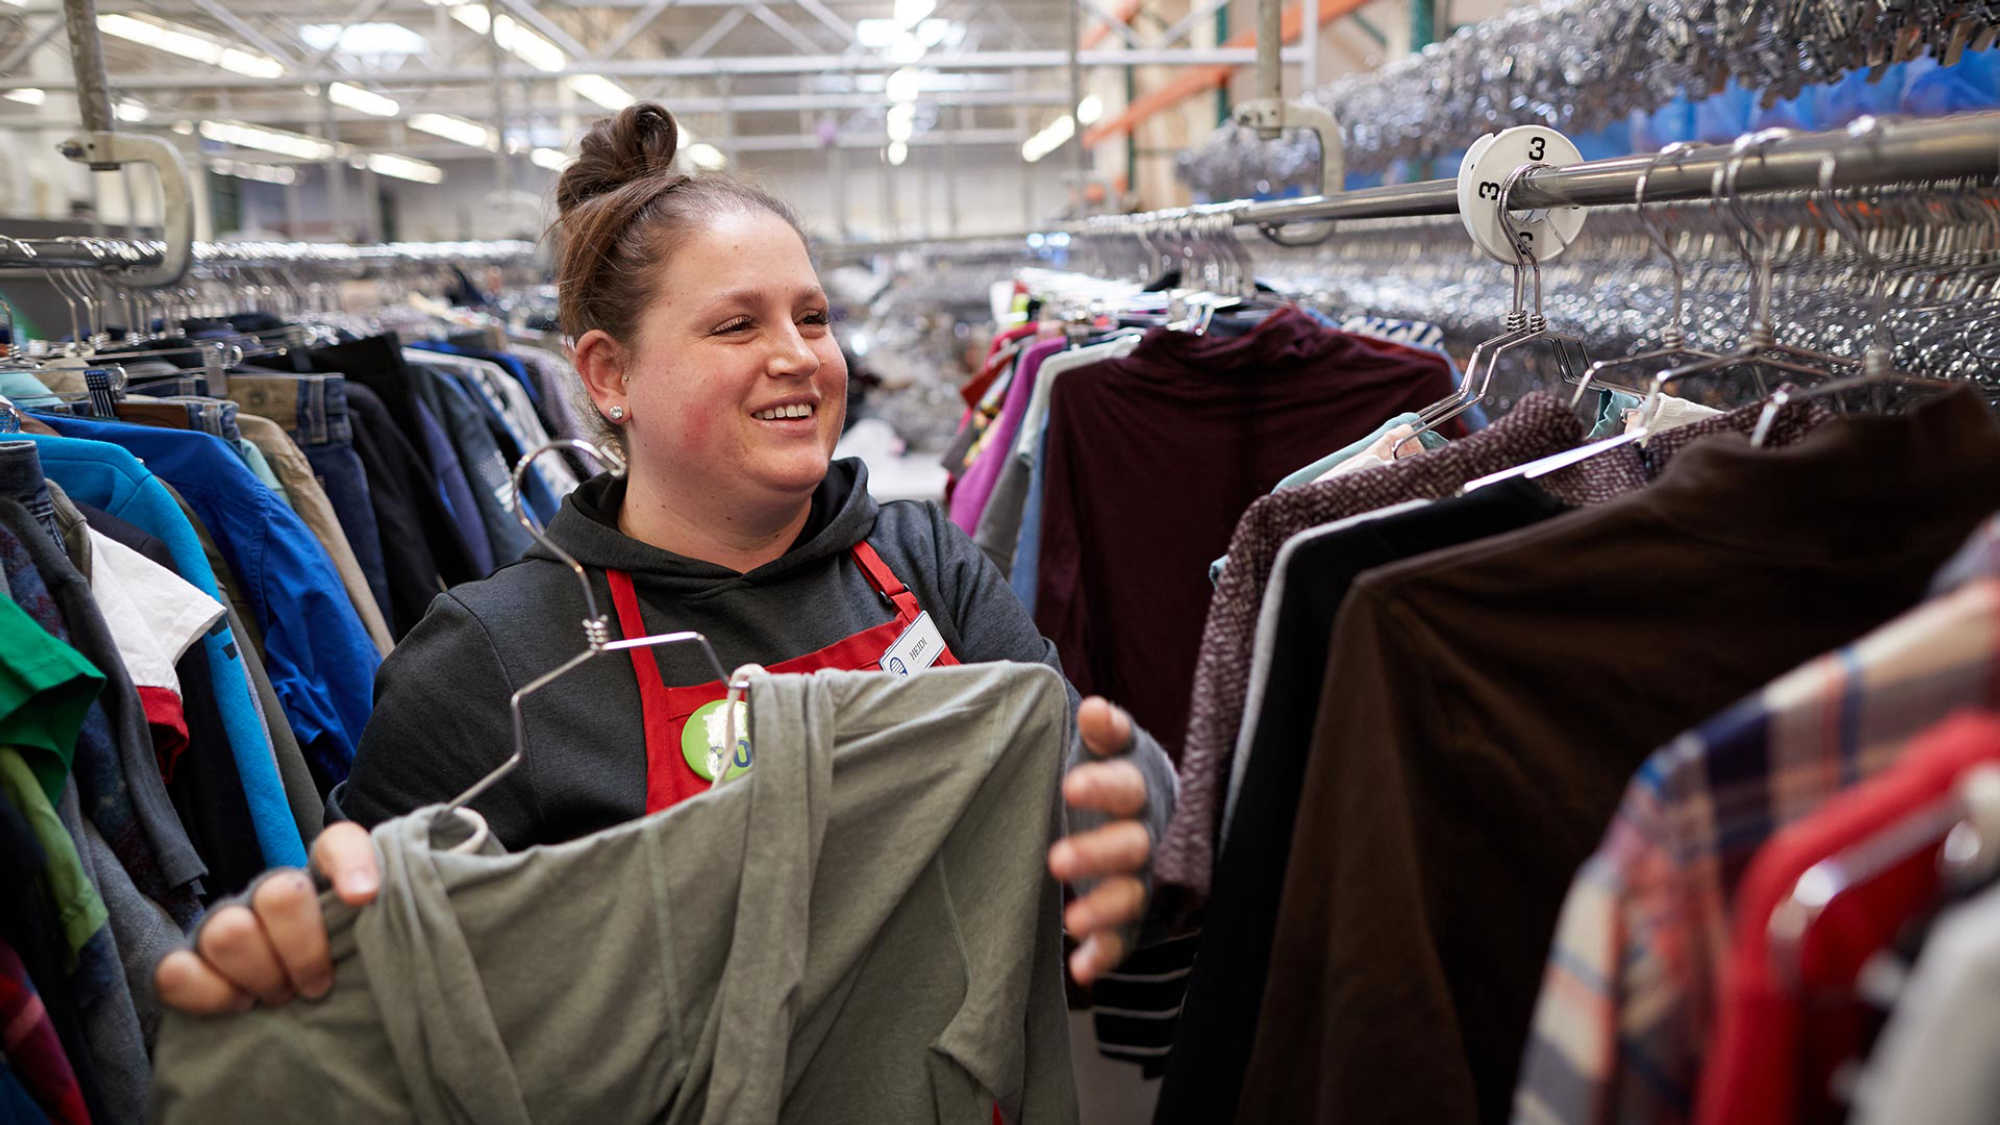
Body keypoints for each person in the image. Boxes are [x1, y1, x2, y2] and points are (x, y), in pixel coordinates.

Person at [153, 103, 1176, 1018]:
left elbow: (1075, 788)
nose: (801, 356)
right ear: (607, 375)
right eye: (737, 324)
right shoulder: (492, 659)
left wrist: (1128, 797)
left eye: (809, 317)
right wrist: (290, 953)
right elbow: (359, 964)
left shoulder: (919, 565)